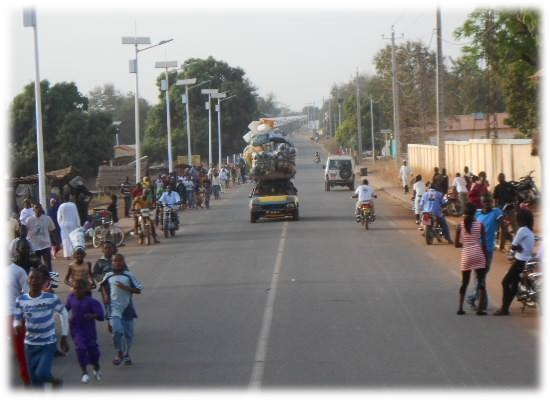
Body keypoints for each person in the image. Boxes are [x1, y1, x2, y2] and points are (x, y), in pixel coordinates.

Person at [13, 267, 70, 388]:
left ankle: (55, 381)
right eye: (31, 278)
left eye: (37, 278)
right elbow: (17, 318)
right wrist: (17, 325)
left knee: (42, 373)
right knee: (35, 383)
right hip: (30, 345)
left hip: (47, 344)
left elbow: (64, 313)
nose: (34, 280)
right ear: (28, 280)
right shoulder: (20, 300)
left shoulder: (50, 298)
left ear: (43, 281)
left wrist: (64, 335)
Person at [99, 254, 143, 366]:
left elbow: (138, 290)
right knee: (117, 331)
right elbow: (102, 286)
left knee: (128, 334)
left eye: (120, 261)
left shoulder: (128, 276)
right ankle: (119, 352)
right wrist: (105, 296)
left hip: (127, 308)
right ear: (112, 263)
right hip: (114, 308)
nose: (117, 263)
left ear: (123, 262)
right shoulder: (108, 275)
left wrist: (125, 288)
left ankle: (127, 354)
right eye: (115, 261)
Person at [494, 208, 535, 315]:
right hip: (525, 260)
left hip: (519, 261)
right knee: (514, 284)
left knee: (505, 282)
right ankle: (505, 307)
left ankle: (504, 308)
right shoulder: (529, 230)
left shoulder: (522, 230)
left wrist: (516, 247)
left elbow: (513, 246)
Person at [466, 195, 503, 309]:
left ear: (492, 202)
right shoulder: (477, 214)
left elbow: (503, 226)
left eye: (489, 201)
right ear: (481, 202)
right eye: (485, 202)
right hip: (476, 248)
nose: (487, 204)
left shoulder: (496, 212)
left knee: (481, 275)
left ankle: (473, 298)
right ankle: (483, 302)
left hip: (487, 250)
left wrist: (503, 242)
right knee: (478, 276)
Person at [66, 279, 105, 383]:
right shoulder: (71, 298)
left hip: (89, 330)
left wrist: (92, 315)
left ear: (85, 289)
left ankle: (96, 366)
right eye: (75, 288)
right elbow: (65, 309)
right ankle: (84, 372)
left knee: (93, 351)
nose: (77, 290)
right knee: (81, 349)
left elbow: (101, 316)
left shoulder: (91, 302)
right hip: (76, 329)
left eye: (79, 288)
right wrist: (64, 315)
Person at [454, 203, 488, 316]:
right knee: (481, 282)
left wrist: (464, 244)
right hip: (478, 254)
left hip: (466, 255)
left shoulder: (460, 225)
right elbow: (484, 245)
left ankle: (460, 308)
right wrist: (485, 258)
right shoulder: (480, 225)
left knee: (464, 283)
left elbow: (456, 244)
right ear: (475, 213)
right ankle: (480, 309)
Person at [8, 252, 31, 386]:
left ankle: (27, 382)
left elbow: (28, 294)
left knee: (20, 353)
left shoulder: (17, 271)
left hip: (14, 315)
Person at [25, 203, 56, 272]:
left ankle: (50, 280)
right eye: (36, 208)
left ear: (41, 209)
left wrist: (55, 241)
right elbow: (24, 230)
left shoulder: (47, 218)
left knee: (48, 264)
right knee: (36, 265)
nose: (38, 209)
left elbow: (52, 230)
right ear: (33, 209)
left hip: (46, 245)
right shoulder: (29, 220)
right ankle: (39, 280)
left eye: (39, 208)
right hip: (34, 246)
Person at [57, 193, 81, 259]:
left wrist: (61, 225)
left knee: (65, 240)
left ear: (63, 199)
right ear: (69, 198)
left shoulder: (61, 206)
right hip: (73, 224)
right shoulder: (73, 205)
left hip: (64, 225)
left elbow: (59, 217)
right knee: (73, 239)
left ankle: (67, 255)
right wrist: (78, 225)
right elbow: (77, 215)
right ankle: (74, 253)